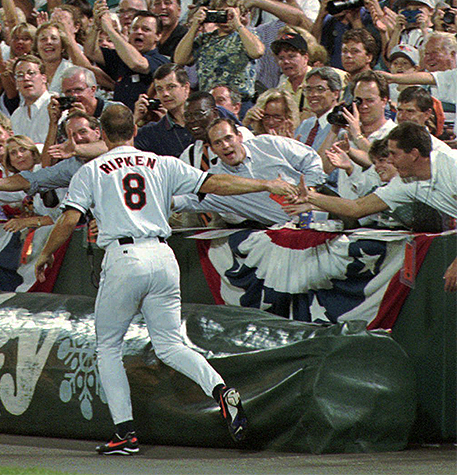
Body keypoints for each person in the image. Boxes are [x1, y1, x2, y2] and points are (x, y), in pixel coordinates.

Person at [34, 104, 299, 455]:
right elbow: (216, 183)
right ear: (134, 131)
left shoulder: (93, 170)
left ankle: (125, 433)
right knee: (172, 344)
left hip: (125, 257)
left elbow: (68, 220)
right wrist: (266, 182)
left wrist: (45, 253)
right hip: (163, 255)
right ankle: (219, 390)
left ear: (102, 134)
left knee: (108, 347)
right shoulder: (162, 162)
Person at [293, 121, 457, 291]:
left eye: (394, 154)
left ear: (414, 154)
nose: (391, 161)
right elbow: (356, 208)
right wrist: (311, 197)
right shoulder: (404, 183)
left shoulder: (451, 165)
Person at [172, 117, 325, 226]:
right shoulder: (216, 183)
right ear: (212, 149)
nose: (225, 145)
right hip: (282, 232)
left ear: (239, 136)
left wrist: (309, 191)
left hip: (323, 209)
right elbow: (184, 201)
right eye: (218, 143)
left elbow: (312, 160)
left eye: (228, 138)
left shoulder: (269, 144)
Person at [174, 0, 264, 103]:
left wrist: (238, 24)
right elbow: (179, 59)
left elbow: (257, 52)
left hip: (239, 101)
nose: (225, 18)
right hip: (210, 102)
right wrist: (195, 26)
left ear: (241, 14)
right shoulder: (205, 39)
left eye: (229, 13)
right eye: (221, 12)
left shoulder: (247, 36)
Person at [84, 4, 169, 108]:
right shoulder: (120, 57)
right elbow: (91, 52)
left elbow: (137, 64)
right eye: (135, 28)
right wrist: (96, 26)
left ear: (158, 36)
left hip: (145, 120)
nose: (139, 32)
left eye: (146, 29)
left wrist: (110, 30)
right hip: (119, 119)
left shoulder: (162, 61)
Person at [134, 63, 192, 156]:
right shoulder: (151, 133)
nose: (165, 94)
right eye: (159, 89)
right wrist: (135, 119)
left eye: (171, 87)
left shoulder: (207, 118)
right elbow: (119, 149)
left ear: (186, 88)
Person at [295, 67, 343, 152]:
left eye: (320, 89)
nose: (313, 94)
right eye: (309, 89)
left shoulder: (342, 126)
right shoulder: (305, 125)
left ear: (335, 94)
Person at [10, 55, 53, 143]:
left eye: (31, 73)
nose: (26, 78)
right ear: (16, 84)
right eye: (20, 75)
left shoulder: (55, 106)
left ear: (44, 78)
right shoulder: (16, 116)